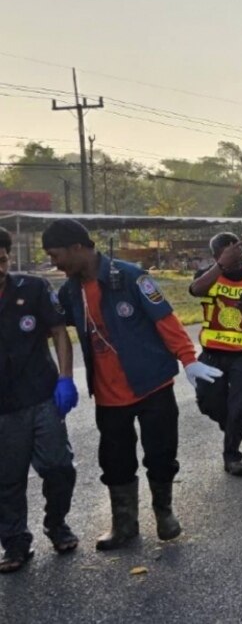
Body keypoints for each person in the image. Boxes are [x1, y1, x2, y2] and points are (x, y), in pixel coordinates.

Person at [42, 219, 222, 551]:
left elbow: (165, 319)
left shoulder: (127, 276)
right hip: (109, 396)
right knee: (115, 461)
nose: (55, 264)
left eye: (57, 255)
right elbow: (50, 327)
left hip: (152, 384)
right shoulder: (70, 291)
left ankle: (164, 513)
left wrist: (188, 359)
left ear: (77, 248)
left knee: (161, 454)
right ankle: (124, 524)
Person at [0, 228, 78, 573]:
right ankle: (15, 543)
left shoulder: (32, 288)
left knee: (58, 467)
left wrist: (65, 378)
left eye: (1, 259)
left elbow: (59, 331)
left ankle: (57, 524)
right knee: (8, 479)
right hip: (3, 409)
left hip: (42, 395)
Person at [189, 232, 242, 477]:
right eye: (228, 251)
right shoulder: (207, 276)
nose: (236, 255)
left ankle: (232, 456)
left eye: (237, 250)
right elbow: (195, 290)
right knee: (209, 403)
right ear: (217, 255)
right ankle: (231, 426)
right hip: (212, 353)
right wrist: (220, 266)